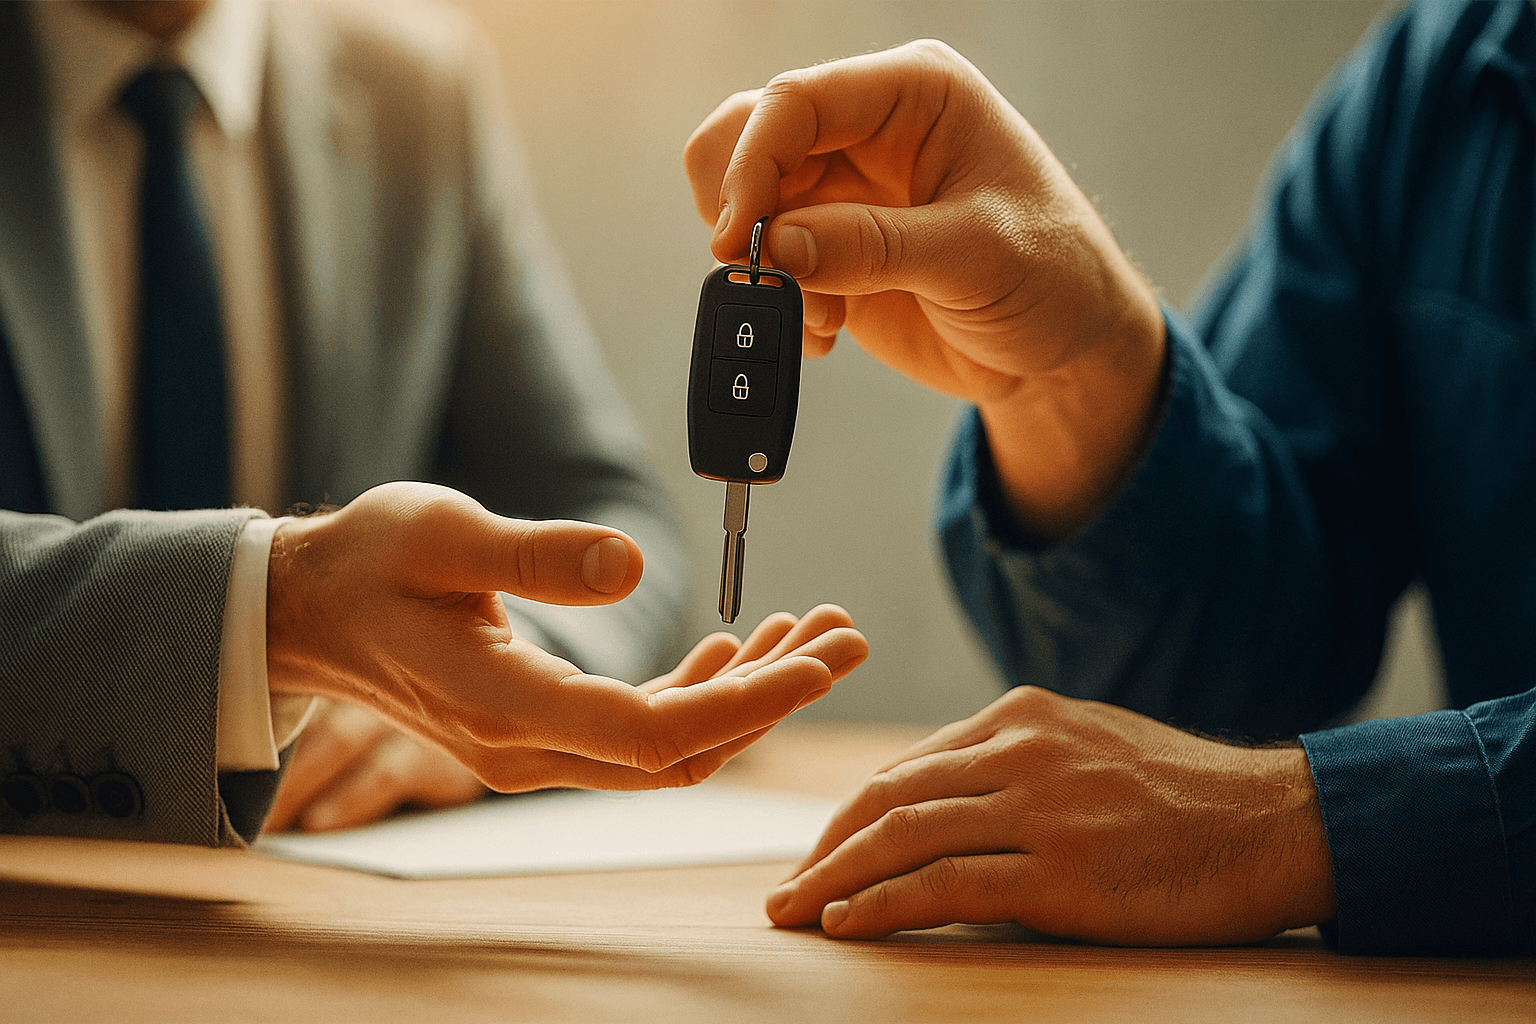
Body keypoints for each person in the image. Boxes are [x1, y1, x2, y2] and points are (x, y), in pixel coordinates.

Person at [684, 0, 1535, 955]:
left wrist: (1296, 826)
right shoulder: (1437, 76)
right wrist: (1072, 379)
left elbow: (1209, 799)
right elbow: (1238, 680)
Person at [0, 0, 867, 847]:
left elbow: (608, 510)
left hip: (315, 909)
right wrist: (276, 620)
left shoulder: (414, 87)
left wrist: (485, 666)